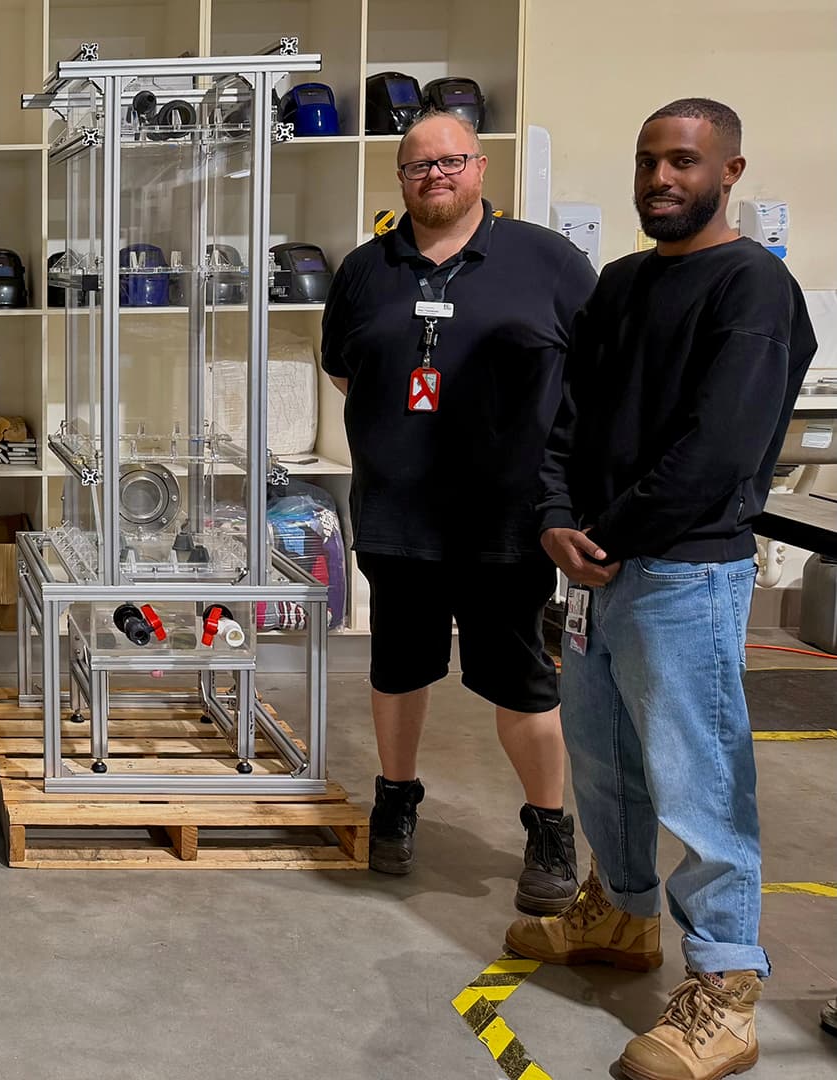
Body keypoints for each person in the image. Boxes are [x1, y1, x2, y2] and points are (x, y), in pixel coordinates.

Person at [509, 99, 816, 1080]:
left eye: (683, 161)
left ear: (729, 171)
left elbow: (717, 453)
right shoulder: (621, 284)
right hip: (600, 567)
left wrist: (601, 532)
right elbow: (568, 420)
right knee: (604, 757)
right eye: (649, 161)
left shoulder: (752, 289)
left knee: (699, 779)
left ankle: (724, 988)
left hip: (686, 569)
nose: (661, 178)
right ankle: (625, 912)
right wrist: (558, 517)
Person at [319, 111, 596, 912]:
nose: (434, 176)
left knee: (519, 680)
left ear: (480, 169)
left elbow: (595, 376)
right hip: (396, 514)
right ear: (400, 180)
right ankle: (396, 803)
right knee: (397, 668)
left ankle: (550, 831)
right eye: (416, 167)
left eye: (450, 162)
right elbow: (347, 370)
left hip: (507, 519)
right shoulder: (368, 268)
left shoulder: (547, 261)